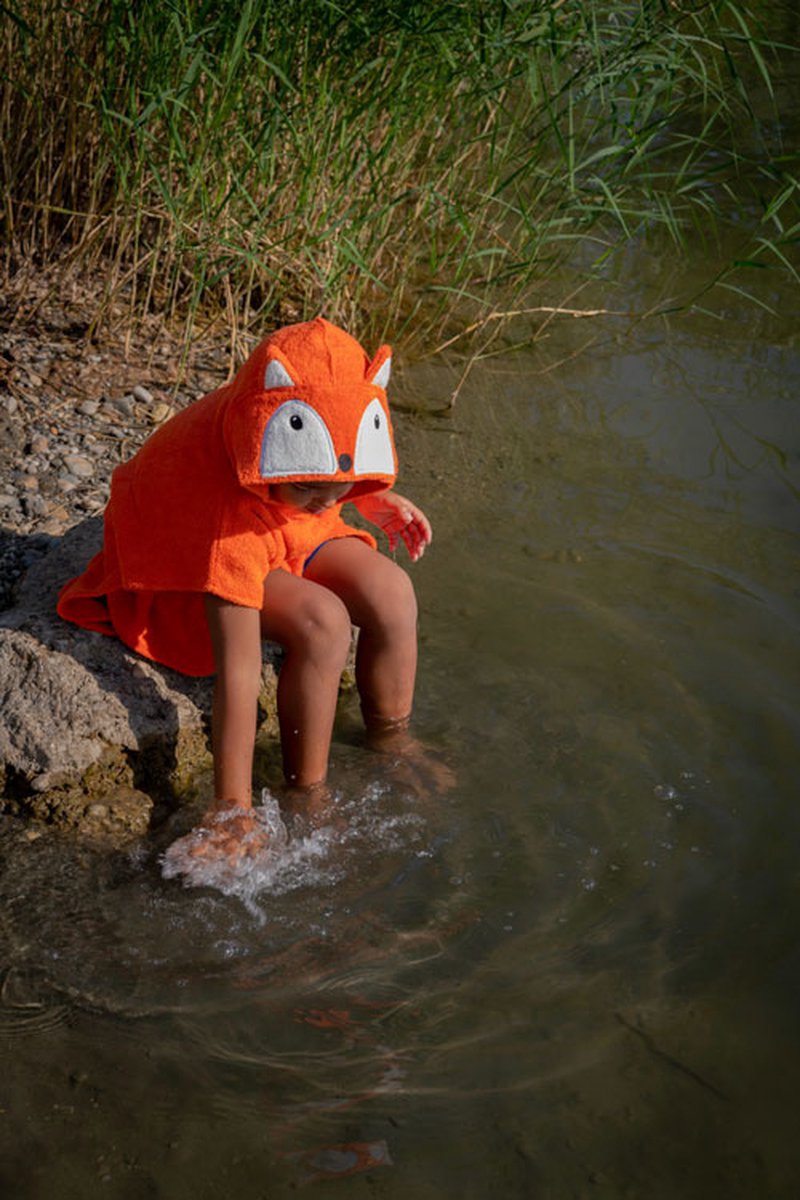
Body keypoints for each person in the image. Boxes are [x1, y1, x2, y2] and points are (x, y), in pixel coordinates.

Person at [57, 317, 437, 857]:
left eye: (340, 487)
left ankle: (391, 738)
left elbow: (327, 441)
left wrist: (362, 496)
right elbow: (237, 670)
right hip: (193, 544)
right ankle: (307, 790)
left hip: (278, 514)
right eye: (315, 488)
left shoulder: (303, 482)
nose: (331, 502)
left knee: (392, 591)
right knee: (321, 622)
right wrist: (230, 808)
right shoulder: (224, 519)